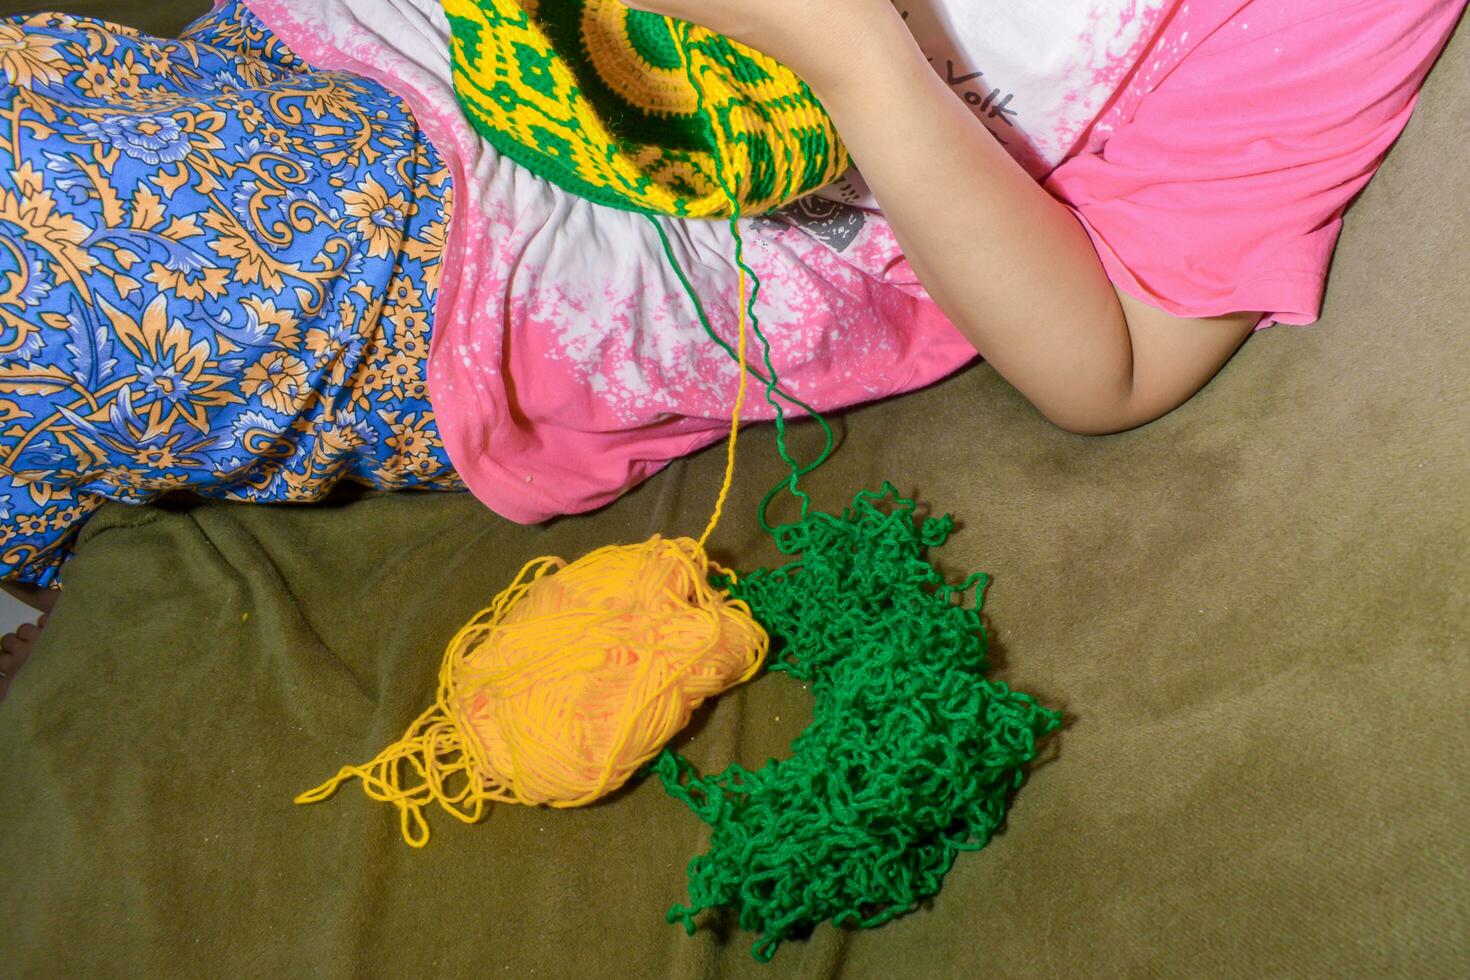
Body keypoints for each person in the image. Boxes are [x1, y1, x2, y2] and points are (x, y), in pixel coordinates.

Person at [0, 0, 1463, 699]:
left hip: (504, 246)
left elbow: (1118, 364)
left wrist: (855, 59)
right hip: (315, 42)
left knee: (53, 214)